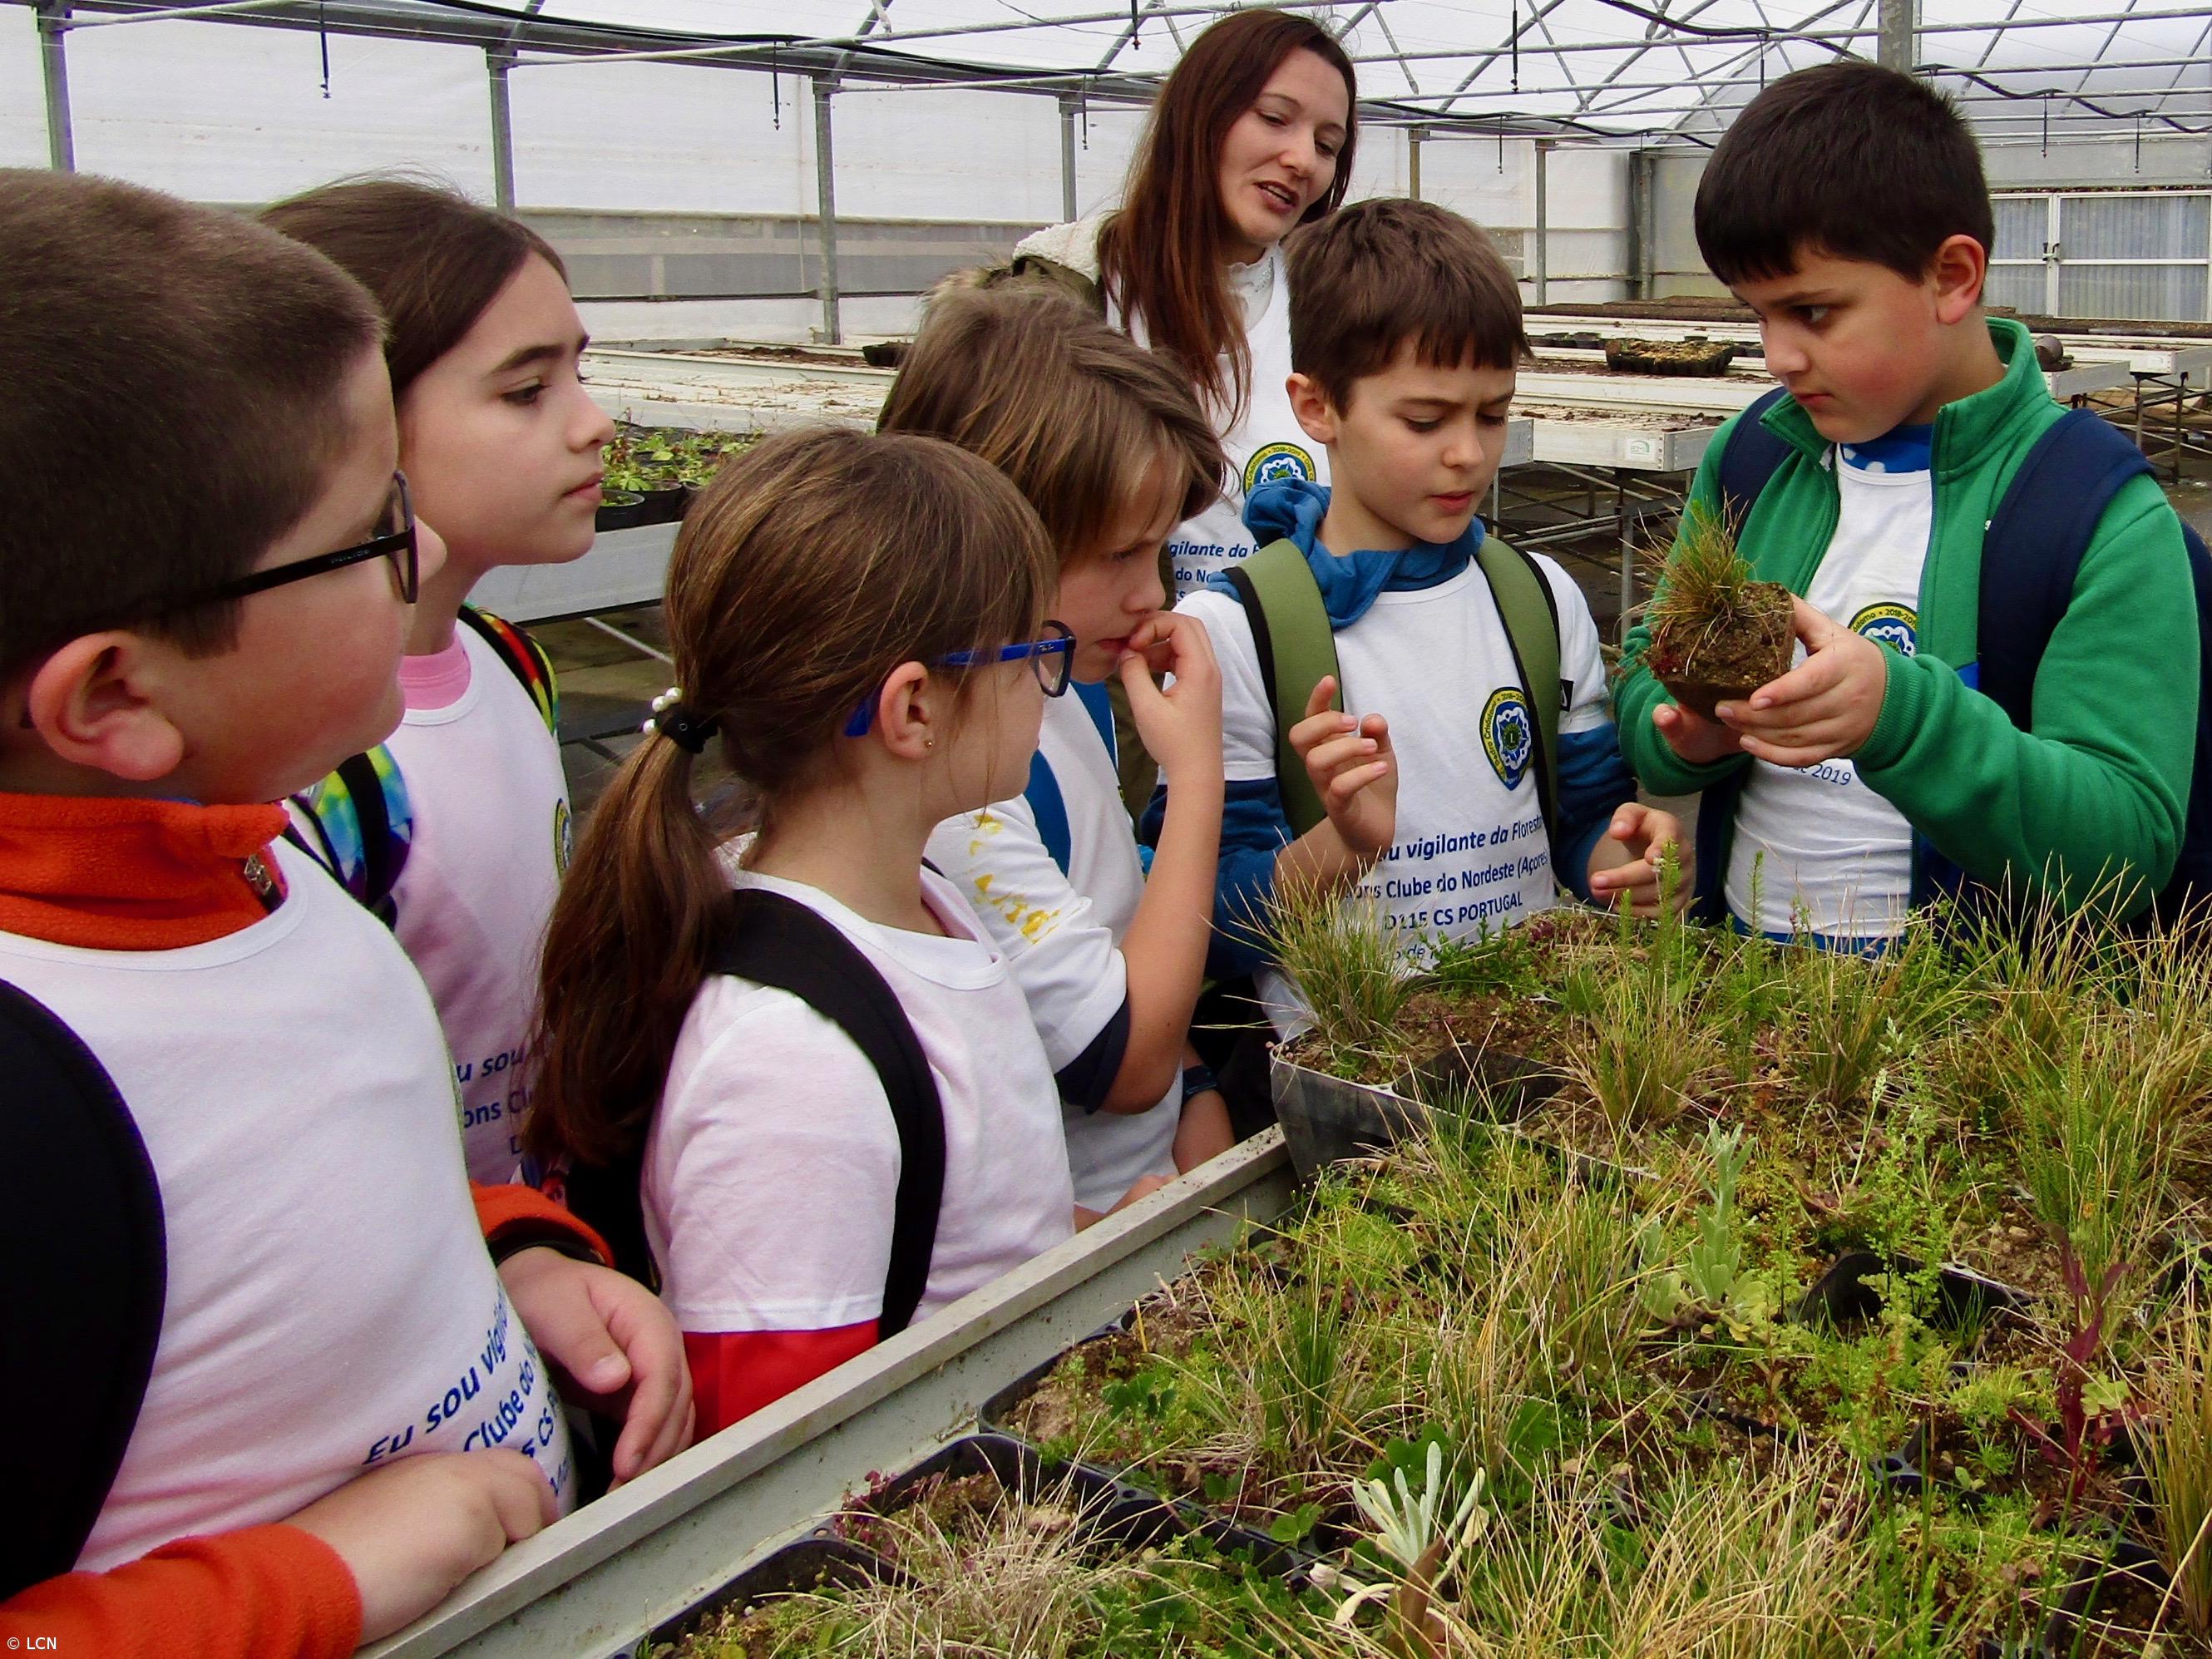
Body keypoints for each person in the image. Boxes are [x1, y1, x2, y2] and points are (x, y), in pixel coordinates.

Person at [0, 170, 689, 1659]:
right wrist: (313, 1582)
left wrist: (516, 1250)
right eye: (372, 530)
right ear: (117, 697)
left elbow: (347, 1156)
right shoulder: (37, 1093)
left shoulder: (256, 859)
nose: (416, 556)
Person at [524, 426, 1173, 1438]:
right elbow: (784, 1476)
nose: (1046, 681)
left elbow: (961, 1252)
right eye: (1028, 653)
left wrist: (1092, 1251)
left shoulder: (918, 906)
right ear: (913, 710)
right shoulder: (790, 1066)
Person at [1612, 62, 2200, 943]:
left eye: (1811, 311)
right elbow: (1641, 664)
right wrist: (1686, 734)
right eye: (1755, 315)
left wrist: (1897, 717)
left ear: (1951, 276)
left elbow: (2124, 844)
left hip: (1965, 1034)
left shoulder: (2092, 512)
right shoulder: (1752, 458)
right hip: (1742, 993)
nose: (1775, 356)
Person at [1160, 197, 1685, 1035]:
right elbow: (1204, 928)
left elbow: (1584, 821)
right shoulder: (1233, 633)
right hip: (1351, 1080)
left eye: (1492, 413)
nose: (1468, 454)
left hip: (1533, 1045)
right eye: (1423, 419)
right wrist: (1342, 844)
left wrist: (1629, 862)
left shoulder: (1540, 599)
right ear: (1316, 407)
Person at [263, 180, 614, 1183]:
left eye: (579, 371)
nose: (592, 423)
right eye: (524, 391)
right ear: (355, 424)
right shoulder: (312, 773)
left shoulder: (511, 663)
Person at [881, 285, 1236, 1213]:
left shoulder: (1057, 686)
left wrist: (1196, 1096)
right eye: (1119, 554)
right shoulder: (965, 785)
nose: (1149, 592)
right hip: (1061, 1252)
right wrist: (1195, 776)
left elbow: (1110, 923)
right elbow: (1120, 1059)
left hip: (1147, 1194)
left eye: (1158, 551)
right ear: (988, 536)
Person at [1013, 8, 1356, 600]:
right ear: (1200, 114)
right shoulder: (1056, 299)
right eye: (1275, 118)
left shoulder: (1333, 304)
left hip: (1288, 675)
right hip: (1096, 679)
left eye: (1327, 145)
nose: (1303, 160)